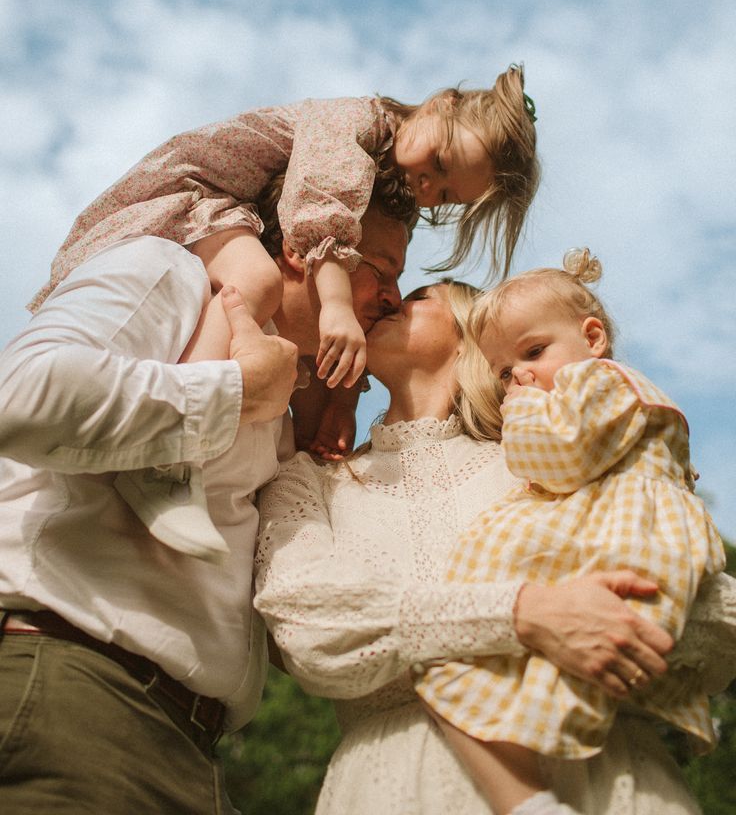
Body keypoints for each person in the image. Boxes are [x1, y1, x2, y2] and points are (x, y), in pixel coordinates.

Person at [254, 280, 736, 815]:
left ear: (473, 339)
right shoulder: (308, 481)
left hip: (604, 774)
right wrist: (521, 613)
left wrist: (627, 616)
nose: (389, 299)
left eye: (418, 296)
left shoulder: (554, 460)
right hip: (395, 787)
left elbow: (705, 611)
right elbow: (307, 626)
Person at [0, 192, 410, 814]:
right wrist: (236, 391)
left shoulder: (287, 414)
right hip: (73, 690)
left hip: (190, 749)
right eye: (380, 270)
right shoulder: (168, 273)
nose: (393, 299)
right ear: (303, 251)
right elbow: (23, 397)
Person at [27, 67, 539, 561]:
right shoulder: (354, 121)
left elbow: (341, 308)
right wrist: (337, 304)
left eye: (445, 194)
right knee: (258, 281)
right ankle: (168, 458)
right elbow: (320, 207)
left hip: (244, 218)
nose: (429, 187)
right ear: (441, 104)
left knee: (290, 324)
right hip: (191, 195)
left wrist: (339, 404)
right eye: (442, 163)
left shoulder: (394, 178)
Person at [415, 251, 725, 815]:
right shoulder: (590, 394)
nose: (521, 376)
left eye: (533, 353)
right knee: (468, 680)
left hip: (630, 539)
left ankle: (537, 796)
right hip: (617, 529)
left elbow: (557, 459)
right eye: (506, 372)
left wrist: (526, 411)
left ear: (593, 337)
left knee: (540, 677)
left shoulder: (599, 381)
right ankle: (537, 796)